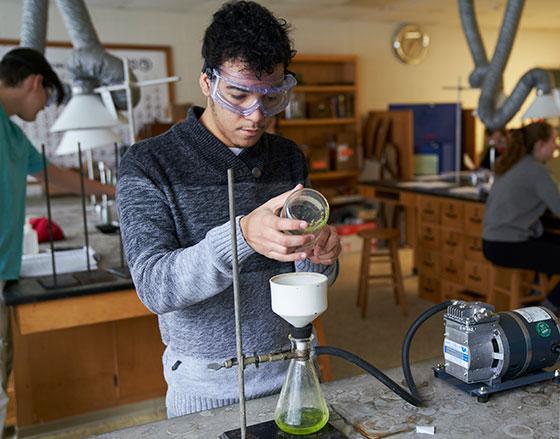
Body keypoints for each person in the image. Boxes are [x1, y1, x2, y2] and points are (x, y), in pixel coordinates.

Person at [117, 0, 341, 417]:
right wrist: (240, 237)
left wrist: (321, 257)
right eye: (238, 96)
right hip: (204, 388)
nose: (256, 116)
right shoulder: (148, 164)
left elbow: (304, 272)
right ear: (207, 82)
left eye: (271, 98)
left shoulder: (288, 157)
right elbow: (154, 286)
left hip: (293, 372)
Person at [0, 47, 115, 432]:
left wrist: (116, 191)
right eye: (49, 98)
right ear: (35, 83)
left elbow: (55, 176)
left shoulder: (12, 135)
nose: (46, 107)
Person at [482, 121, 560, 313]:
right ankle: (546, 311)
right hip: (509, 246)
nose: (557, 145)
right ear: (540, 144)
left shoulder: (512, 164)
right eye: (554, 140)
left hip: (493, 244)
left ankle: (537, 300)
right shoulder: (536, 171)